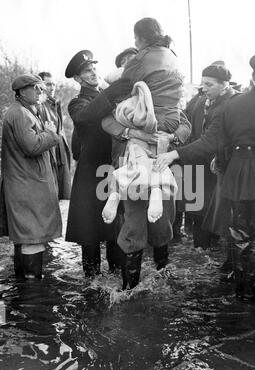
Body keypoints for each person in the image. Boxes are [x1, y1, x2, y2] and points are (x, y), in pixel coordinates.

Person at [155, 51, 255, 301]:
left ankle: (241, 291)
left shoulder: (233, 103)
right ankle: (254, 294)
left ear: (252, 76)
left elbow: (213, 142)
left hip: (236, 177)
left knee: (240, 235)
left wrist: (175, 155)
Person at [100, 17, 188, 289]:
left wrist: (171, 136)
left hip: (160, 157)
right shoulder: (117, 98)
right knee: (135, 225)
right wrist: (129, 133)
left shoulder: (162, 101)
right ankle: (130, 288)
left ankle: (162, 273)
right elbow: (105, 121)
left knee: (163, 224)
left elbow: (185, 124)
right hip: (132, 164)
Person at [64, 50, 132, 277]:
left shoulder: (107, 95)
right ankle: (91, 283)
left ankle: (116, 277)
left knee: (115, 226)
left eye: (94, 68)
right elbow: (86, 116)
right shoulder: (77, 102)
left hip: (112, 169)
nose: (93, 73)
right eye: (86, 71)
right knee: (90, 231)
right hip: (91, 173)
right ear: (78, 78)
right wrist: (112, 92)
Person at [1, 74, 62, 279]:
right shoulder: (20, 114)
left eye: (40, 88)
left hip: (27, 185)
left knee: (28, 239)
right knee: (32, 239)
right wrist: (51, 134)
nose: (39, 91)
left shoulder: (24, 111)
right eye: (34, 88)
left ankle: (24, 292)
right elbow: (32, 145)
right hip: (26, 187)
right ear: (20, 92)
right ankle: (32, 295)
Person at [183, 62, 235, 251]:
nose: (204, 89)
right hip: (194, 161)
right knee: (196, 212)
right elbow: (186, 125)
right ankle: (201, 253)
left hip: (217, 165)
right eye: (202, 84)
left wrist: (221, 155)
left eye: (209, 85)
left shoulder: (232, 103)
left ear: (225, 84)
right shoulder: (196, 101)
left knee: (215, 213)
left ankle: (212, 253)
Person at [38, 71, 72, 200]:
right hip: (48, 158)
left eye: (53, 84)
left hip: (60, 156)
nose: (52, 88)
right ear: (40, 85)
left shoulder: (55, 105)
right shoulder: (39, 106)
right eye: (48, 84)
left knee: (59, 199)